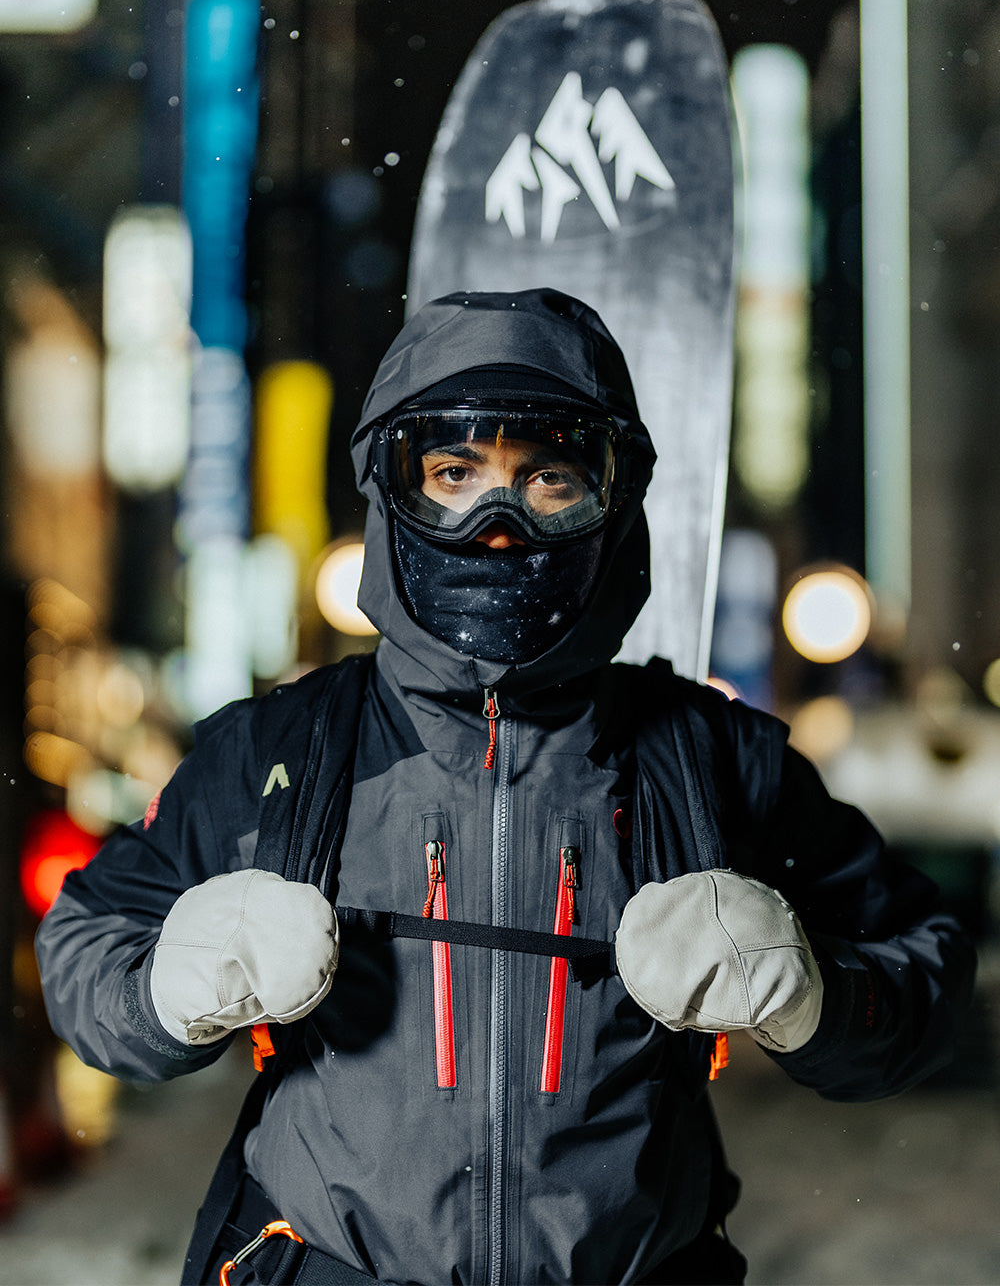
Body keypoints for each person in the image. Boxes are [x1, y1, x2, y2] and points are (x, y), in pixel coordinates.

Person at [37, 288, 975, 1286]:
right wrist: (165, 988)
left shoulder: (708, 758)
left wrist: (814, 994)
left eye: (549, 478)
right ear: (389, 484)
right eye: (452, 473)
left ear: (609, 499)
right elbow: (85, 950)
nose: (497, 522)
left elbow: (921, 972)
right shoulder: (283, 751)